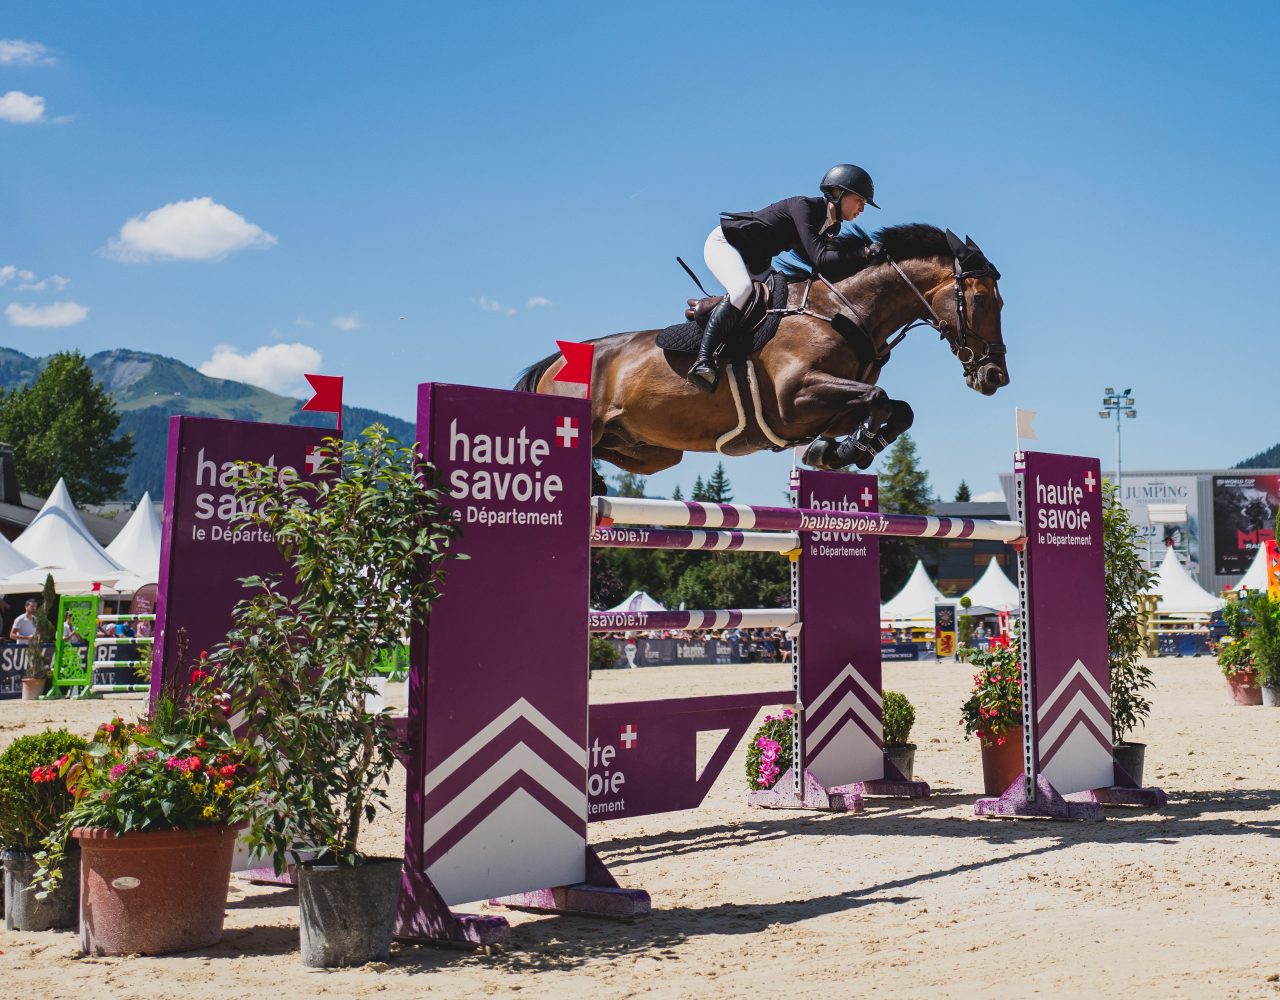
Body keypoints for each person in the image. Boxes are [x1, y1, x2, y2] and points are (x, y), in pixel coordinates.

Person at [688, 163, 881, 392]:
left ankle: (744, 351)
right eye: (860, 201)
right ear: (838, 193)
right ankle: (703, 361)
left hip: (757, 263)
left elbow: (827, 270)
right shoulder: (804, 207)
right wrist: (864, 253)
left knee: (782, 298)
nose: (862, 208)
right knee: (742, 290)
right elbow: (821, 259)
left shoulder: (831, 228)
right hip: (727, 244)